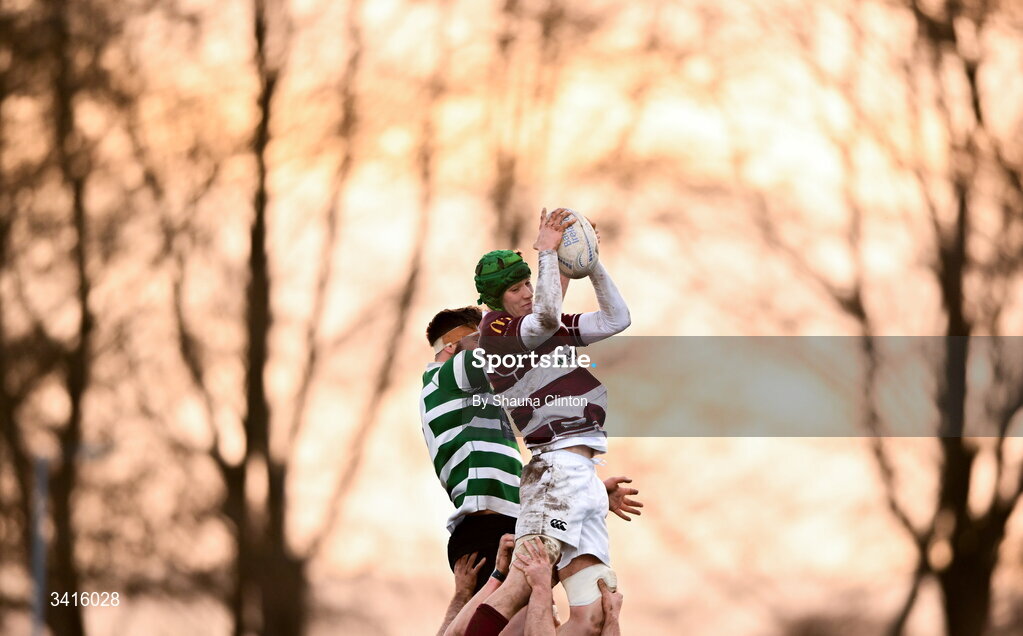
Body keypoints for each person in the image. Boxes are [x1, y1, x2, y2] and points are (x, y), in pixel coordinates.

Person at [466, 208, 632, 635]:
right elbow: (545, 317)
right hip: (554, 469)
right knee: (518, 588)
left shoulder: (545, 327)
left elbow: (617, 319)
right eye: (517, 288)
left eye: (528, 284)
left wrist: (591, 265)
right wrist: (546, 253)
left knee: (595, 613)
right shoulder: (496, 330)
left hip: (583, 474)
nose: (526, 292)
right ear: (495, 298)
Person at [421, 307, 523, 594]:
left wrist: (589, 491)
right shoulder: (446, 376)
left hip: (506, 525)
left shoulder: (478, 401)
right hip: (486, 531)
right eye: (480, 340)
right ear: (451, 347)